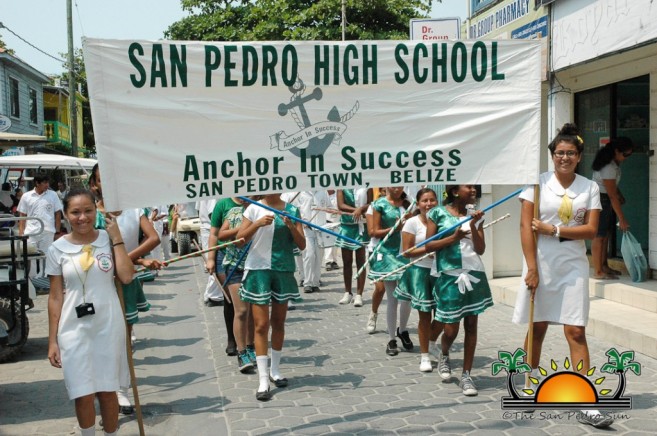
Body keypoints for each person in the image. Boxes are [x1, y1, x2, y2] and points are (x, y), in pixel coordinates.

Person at [512, 123, 611, 428]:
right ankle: (529, 389)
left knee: (576, 331)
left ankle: (586, 402)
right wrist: (531, 268)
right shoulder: (537, 184)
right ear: (552, 155)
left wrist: (553, 229)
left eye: (570, 153)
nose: (564, 157)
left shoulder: (590, 187)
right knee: (537, 327)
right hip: (541, 263)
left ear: (579, 156)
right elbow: (525, 228)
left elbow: (591, 230)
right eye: (559, 152)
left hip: (573, 265)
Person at [47, 189, 135, 436]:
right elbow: (55, 297)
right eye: (75, 212)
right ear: (65, 214)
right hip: (72, 329)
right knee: (82, 393)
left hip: (108, 325)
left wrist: (117, 238)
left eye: (88, 211)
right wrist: (52, 340)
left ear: (96, 210)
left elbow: (127, 276)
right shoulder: (56, 249)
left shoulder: (108, 239)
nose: (82, 217)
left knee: (108, 391)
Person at [89, 164, 162, 415]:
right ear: (94, 184)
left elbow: (153, 238)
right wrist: (125, 262)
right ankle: (105, 390)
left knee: (123, 338)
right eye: (101, 180)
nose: (107, 184)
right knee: (102, 340)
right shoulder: (90, 214)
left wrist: (129, 260)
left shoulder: (134, 210)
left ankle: (123, 389)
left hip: (126, 281)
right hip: (98, 283)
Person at [236, 194, 306, 401]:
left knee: (279, 322)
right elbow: (239, 241)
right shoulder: (254, 208)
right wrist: (256, 224)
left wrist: (291, 225)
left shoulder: (292, 210)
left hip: (283, 269)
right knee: (260, 325)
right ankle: (263, 379)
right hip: (259, 269)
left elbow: (302, 245)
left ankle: (275, 370)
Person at [425, 185, 492, 396]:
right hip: (449, 275)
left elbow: (480, 249)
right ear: (455, 191)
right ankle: (444, 354)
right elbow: (429, 246)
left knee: (472, 324)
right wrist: (453, 238)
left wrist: (474, 225)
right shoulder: (437, 213)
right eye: (469, 187)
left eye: (475, 187)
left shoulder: (477, 214)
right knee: (451, 329)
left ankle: (467, 375)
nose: (473, 189)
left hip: (474, 273)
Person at [208, 196, 255, 373]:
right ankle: (235, 344)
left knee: (249, 307)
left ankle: (249, 346)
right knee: (235, 305)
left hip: (252, 261)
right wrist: (211, 258)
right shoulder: (224, 205)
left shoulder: (257, 207)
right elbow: (216, 234)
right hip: (227, 258)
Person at [396, 188, 440, 372]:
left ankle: (431, 342)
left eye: (432, 200)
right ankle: (424, 356)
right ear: (418, 203)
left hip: (441, 272)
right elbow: (406, 252)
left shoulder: (442, 220)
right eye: (425, 201)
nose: (429, 204)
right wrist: (429, 249)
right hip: (420, 272)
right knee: (424, 316)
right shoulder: (412, 223)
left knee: (443, 316)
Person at [368, 186, 413, 356]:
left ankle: (403, 330)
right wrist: (396, 227)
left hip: (407, 252)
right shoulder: (378, 204)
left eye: (401, 183)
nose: (397, 186)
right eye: (393, 183)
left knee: (407, 296)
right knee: (392, 297)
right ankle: (392, 338)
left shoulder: (409, 204)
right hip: (387, 254)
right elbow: (373, 232)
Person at [590, 137, 634, 279]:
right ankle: (598, 271)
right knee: (599, 236)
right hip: (601, 200)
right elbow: (611, 194)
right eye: (625, 154)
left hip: (605, 199)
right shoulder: (608, 167)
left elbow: (613, 189)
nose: (626, 158)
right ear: (616, 151)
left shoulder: (612, 164)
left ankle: (604, 266)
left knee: (606, 235)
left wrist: (620, 195)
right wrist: (622, 219)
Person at [17, 173, 64, 296]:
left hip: (48, 231)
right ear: (37, 183)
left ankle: (45, 281)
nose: (47, 185)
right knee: (31, 257)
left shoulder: (53, 195)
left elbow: (58, 213)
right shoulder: (26, 196)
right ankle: (32, 281)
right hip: (31, 231)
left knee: (46, 256)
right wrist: (21, 232)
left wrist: (57, 230)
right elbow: (22, 215)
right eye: (44, 182)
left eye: (47, 182)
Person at [335, 188, 372, 306]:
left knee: (361, 261)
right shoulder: (342, 185)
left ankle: (359, 294)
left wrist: (361, 209)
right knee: (347, 261)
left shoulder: (367, 184)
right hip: (346, 226)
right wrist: (356, 210)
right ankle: (348, 292)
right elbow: (340, 205)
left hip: (361, 226)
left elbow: (371, 203)